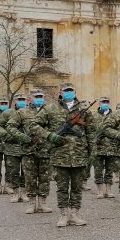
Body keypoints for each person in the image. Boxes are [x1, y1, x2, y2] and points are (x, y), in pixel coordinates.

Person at [44, 82, 93, 227]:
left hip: (79, 156)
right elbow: (35, 125)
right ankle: (64, 215)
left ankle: (75, 214)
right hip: (60, 156)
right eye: (66, 90)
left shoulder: (84, 110)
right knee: (62, 188)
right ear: (60, 92)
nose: (69, 92)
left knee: (77, 188)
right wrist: (50, 136)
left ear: (75, 91)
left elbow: (91, 133)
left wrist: (91, 153)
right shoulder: (50, 109)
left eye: (71, 90)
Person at [90, 96, 120, 199]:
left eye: (107, 102)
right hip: (97, 148)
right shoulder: (93, 115)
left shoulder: (115, 115)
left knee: (109, 170)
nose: (105, 103)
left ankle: (108, 190)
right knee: (98, 171)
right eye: (103, 102)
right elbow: (89, 130)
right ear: (99, 103)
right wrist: (93, 139)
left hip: (111, 147)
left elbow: (118, 130)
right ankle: (100, 191)